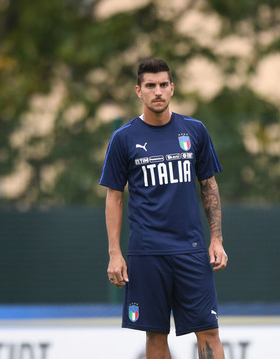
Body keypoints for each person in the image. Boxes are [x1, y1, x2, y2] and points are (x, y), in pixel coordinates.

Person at [99, 58, 228, 359]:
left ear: (172, 88)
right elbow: (114, 197)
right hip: (147, 252)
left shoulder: (194, 130)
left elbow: (208, 186)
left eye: (162, 85)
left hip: (191, 249)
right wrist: (114, 253)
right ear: (138, 91)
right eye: (150, 86)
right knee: (156, 334)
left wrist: (217, 239)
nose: (157, 91)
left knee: (209, 330)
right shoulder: (124, 138)